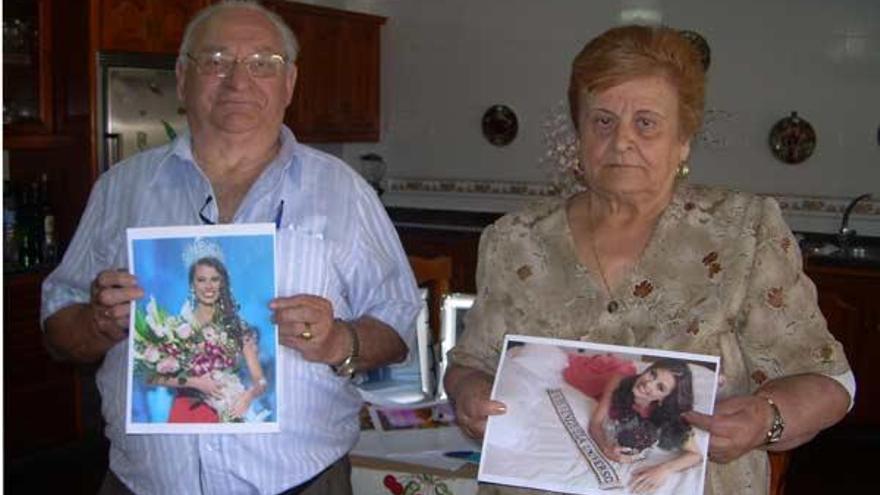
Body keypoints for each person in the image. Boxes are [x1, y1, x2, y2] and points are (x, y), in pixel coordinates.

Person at [445, 25, 854, 495]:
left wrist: (768, 419)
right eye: (602, 121)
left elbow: (829, 380)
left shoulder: (743, 232)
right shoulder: (513, 240)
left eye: (646, 122)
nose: (621, 141)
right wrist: (468, 391)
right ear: (578, 132)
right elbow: (469, 362)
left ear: (683, 140)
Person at [41, 1, 421, 494]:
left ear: (289, 84)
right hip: (142, 484)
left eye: (264, 63)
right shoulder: (121, 188)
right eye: (215, 60)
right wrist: (97, 323)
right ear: (182, 78)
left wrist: (338, 342)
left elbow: (398, 327)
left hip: (302, 483)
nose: (239, 81)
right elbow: (57, 329)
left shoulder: (344, 193)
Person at [138, 255, 268, 423]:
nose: (208, 286)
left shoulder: (237, 328)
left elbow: (261, 381)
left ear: (223, 284)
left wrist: (249, 396)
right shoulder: (176, 327)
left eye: (215, 279)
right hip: (186, 412)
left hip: (229, 410)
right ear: (192, 284)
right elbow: (149, 377)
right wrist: (195, 382)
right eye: (201, 280)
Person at [581, 359, 702, 494]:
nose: (648, 384)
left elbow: (696, 455)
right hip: (594, 383)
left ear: (664, 398)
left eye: (660, 387)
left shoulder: (669, 417)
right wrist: (606, 447)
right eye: (652, 374)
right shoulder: (618, 381)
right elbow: (595, 423)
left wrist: (664, 470)